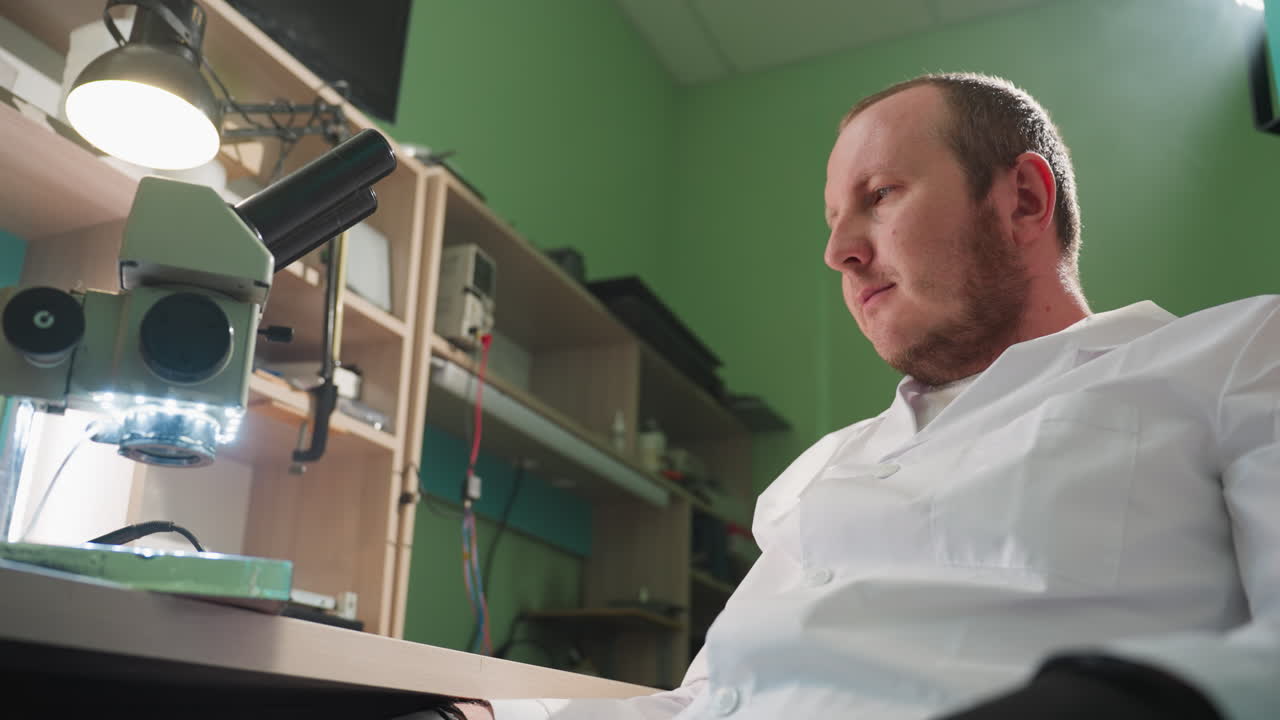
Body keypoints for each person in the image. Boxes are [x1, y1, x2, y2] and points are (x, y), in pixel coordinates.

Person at [435, 72, 1279, 720]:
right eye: (832, 218)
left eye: (879, 197)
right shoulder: (823, 468)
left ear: (1022, 198)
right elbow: (712, 702)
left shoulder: (1230, 355)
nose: (838, 250)